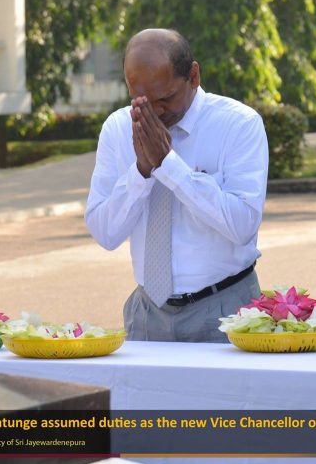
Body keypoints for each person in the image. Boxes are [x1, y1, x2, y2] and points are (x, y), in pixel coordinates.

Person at [85, 29, 268, 343]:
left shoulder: (239, 124)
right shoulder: (118, 128)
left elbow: (242, 225)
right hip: (147, 312)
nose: (155, 112)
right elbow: (105, 233)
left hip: (225, 309)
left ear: (193, 76)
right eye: (140, 100)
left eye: (165, 99)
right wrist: (142, 171)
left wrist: (169, 166)